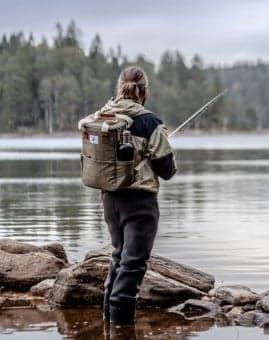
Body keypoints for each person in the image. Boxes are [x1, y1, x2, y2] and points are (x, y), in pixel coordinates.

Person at [98, 66, 177, 325]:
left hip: (110, 200)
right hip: (140, 204)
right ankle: (121, 328)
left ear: (120, 87)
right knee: (132, 266)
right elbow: (166, 171)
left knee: (119, 257)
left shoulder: (104, 115)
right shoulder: (148, 122)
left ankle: (109, 326)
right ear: (143, 91)